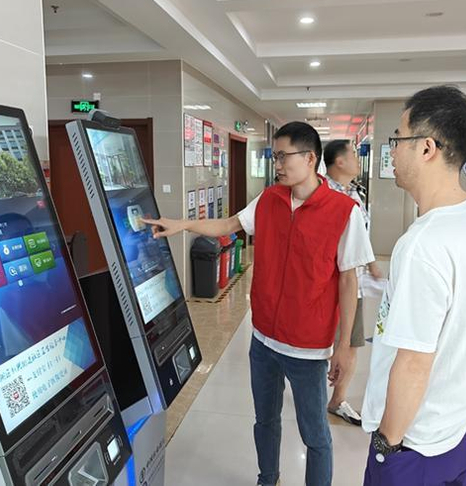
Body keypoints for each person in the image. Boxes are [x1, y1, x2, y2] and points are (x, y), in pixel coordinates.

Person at [143, 122, 366, 486]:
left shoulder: (344, 211)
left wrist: (342, 345)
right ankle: (268, 478)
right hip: (263, 340)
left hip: (308, 348)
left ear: (310, 158)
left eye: (283, 157)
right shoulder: (269, 200)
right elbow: (229, 225)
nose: (276, 165)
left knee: (315, 435)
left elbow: (348, 279)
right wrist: (182, 225)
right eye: (274, 156)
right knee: (265, 420)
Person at [361, 86, 466, 486]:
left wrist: (387, 444)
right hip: (462, 423)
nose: (392, 152)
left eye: (398, 139)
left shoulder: (422, 243)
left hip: (414, 442)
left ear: (426, 148)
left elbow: (414, 363)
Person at [323, 139, 383, 426]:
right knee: (331, 344)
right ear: (339, 161)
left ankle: (337, 398)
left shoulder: (354, 192)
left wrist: (370, 264)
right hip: (331, 283)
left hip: (353, 282)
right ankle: (325, 397)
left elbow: (360, 237)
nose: (359, 160)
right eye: (354, 155)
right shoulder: (324, 194)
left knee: (349, 343)